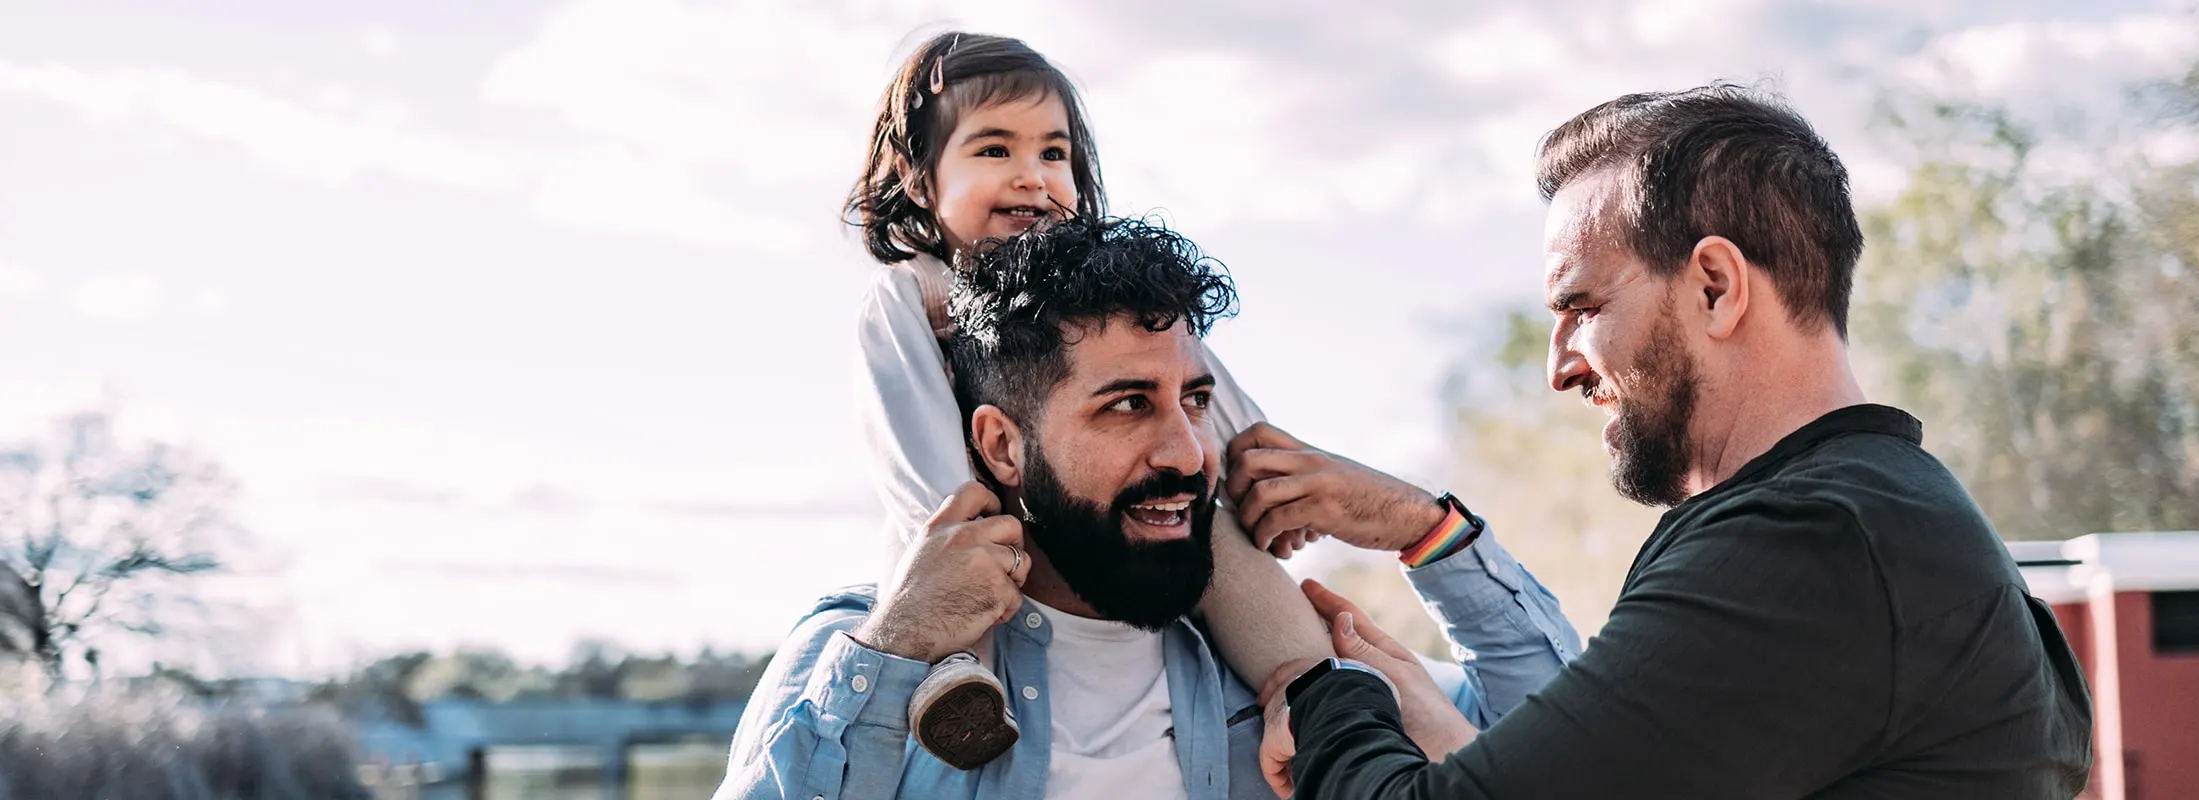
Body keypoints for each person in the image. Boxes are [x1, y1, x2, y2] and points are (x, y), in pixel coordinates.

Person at [1240, 85, 2097, 798]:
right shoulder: (1889, 520)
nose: (1559, 367)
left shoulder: (1811, 542)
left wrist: (1324, 698)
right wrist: (1431, 542)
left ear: (1716, 288)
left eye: (1582, 308)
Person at [711, 215, 1581, 800]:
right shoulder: (865, 662)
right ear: (1003, 444)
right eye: (1127, 404)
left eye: (1195, 401)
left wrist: (1427, 531)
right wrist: (894, 650)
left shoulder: (1298, 679)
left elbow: (1568, 756)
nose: (1187, 452)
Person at [836, 31, 1337, 770]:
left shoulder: (1103, 300)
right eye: (994, 151)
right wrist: (955, 519)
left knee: (1217, 544)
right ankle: (957, 689)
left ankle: (1311, 689)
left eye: (1054, 153)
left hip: (1126, 515)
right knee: (958, 581)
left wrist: (1267, 477)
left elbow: (1209, 399)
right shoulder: (913, 295)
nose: (1032, 176)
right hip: (965, 518)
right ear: (918, 178)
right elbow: (904, 424)